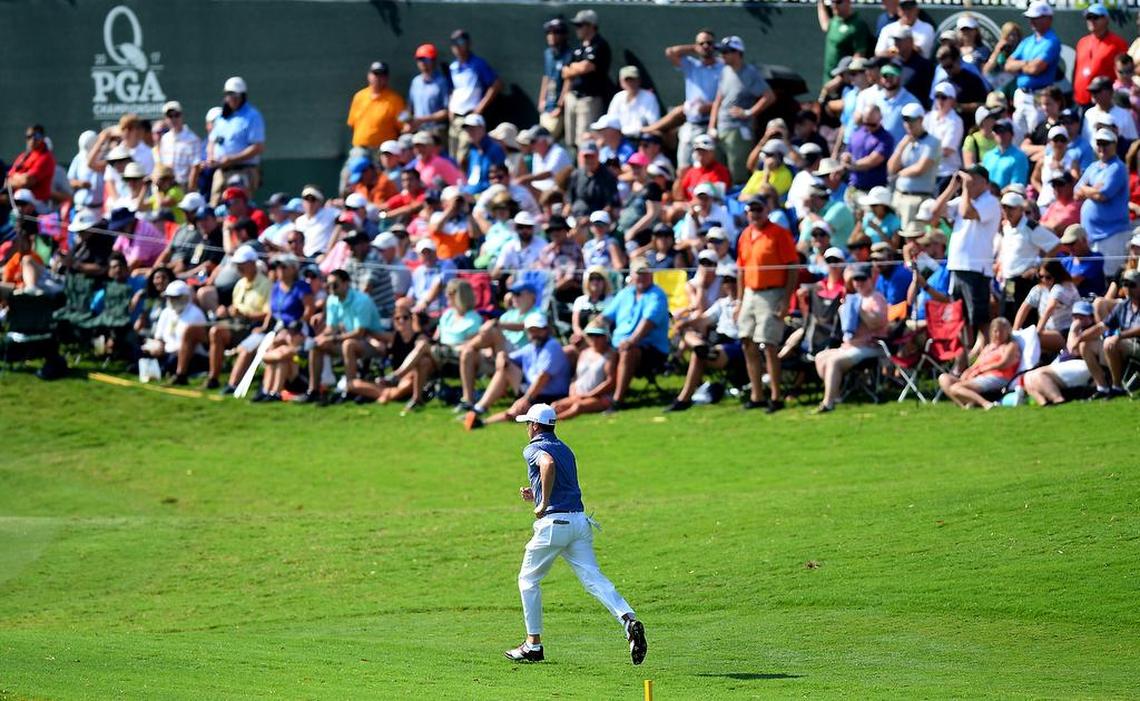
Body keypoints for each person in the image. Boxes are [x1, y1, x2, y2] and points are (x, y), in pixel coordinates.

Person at [505, 403, 647, 665]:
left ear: (535, 426)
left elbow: (546, 464)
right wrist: (536, 494)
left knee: (527, 581)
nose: (527, 428)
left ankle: (533, 645)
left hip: (553, 525)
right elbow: (561, 481)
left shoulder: (534, 448)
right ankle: (628, 619)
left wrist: (542, 502)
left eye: (528, 424)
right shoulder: (566, 450)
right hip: (579, 523)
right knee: (594, 578)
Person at [736, 195, 797, 412]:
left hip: (773, 293)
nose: (755, 214)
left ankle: (776, 395)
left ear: (766, 210)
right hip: (751, 293)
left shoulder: (779, 234)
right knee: (747, 341)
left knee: (769, 345)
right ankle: (756, 394)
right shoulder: (745, 235)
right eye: (751, 210)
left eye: (759, 210)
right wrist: (739, 300)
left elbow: (792, 268)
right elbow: (741, 271)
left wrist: (785, 299)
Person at [935, 164, 1000, 356]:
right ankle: (964, 359)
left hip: (976, 268)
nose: (968, 182)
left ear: (985, 183)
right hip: (957, 266)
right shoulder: (964, 198)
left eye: (972, 178)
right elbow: (936, 211)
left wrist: (965, 189)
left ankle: (989, 357)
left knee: (980, 319)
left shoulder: (990, 201)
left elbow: (966, 213)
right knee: (961, 319)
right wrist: (952, 187)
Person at [465, 312, 571, 428]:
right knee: (505, 368)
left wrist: (526, 399)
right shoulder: (531, 347)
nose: (535, 334)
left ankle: (481, 420)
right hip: (535, 391)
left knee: (517, 411)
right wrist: (501, 355)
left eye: (538, 330)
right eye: (532, 330)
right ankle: (479, 410)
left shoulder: (552, 346)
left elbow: (543, 377)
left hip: (550, 396)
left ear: (546, 330)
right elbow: (508, 359)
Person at [812, 264, 888, 413]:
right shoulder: (852, 299)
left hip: (870, 346)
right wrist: (846, 308)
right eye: (856, 279)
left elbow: (877, 323)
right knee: (821, 357)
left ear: (870, 279)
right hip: (850, 345)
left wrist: (859, 310)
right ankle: (837, 394)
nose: (858, 283)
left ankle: (828, 403)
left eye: (862, 279)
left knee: (834, 361)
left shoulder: (876, 298)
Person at [667, 263, 742, 411]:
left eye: (732, 280)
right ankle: (700, 347)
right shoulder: (721, 303)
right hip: (716, 342)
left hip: (734, 345)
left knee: (698, 354)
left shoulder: (744, 303)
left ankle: (684, 398)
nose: (729, 284)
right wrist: (682, 324)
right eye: (726, 281)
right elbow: (703, 319)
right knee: (687, 331)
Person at [598, 258, 670, 412]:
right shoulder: (625, 293)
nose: (642, 277)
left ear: (651, 275)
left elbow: (647, 324)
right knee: (585, 348)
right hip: (618, 344)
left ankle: (617, 401)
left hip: (651, 350)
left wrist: (631, 341)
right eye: (639, 273)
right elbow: (604, 317)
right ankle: (585, 395)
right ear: (631, 275)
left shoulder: (657, 295)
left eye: (645, 273)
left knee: (628, 351)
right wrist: (586, 333)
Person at [709, 36, 775, 185]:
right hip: (720, 130)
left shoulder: (750, 73)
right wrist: (711, 127)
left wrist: (748, 112)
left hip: (738, 131)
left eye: (726, 52)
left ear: (738, 53)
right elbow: (718, 100)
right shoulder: (725, 71)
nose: (722, 55)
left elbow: (769, 96)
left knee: (737, 174)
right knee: (720, 174)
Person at [662, 29, 723, 173]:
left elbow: (727, 99)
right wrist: (693, 48)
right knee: (683, 168)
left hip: (712, 125)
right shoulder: (691, 65)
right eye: (702, 43)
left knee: (709, 169)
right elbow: (670, 52)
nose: (705, 46)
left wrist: (708, 107)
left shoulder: (723, 67)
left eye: (709, 43)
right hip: (691, 124)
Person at [995, 191, 1060, 320]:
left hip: (1025, 281)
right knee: (1006, 315)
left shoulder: (1030, 227)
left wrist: (1039, 267)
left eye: (1011, 208)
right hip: (1009, 281)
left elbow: (1055, 244)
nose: (1007, 211)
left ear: (1020, 209)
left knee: (1026, 319)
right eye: (1004, 207)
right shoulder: (1006, 226)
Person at [1076, 128, 1131, 277]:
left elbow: (1102, 195)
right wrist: (1092, 190)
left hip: (1112, 234)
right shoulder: (1093, 167)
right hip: (1091, 235)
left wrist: (1087, 189)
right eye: (1099, 143)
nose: (1102, 147)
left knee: (1111, 277)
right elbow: (1076, 192)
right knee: (1094, 277)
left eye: (1106, 143)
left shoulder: (1118, 168)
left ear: (1114, 144)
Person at [1078, 268, 1140, 399]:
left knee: (1109, 343)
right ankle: (1102, 388)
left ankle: (1117, 387)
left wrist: (1119, 336)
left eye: (1132, 285)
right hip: (1124, 344)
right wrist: (1079, 338)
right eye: (1125, 284)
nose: (1128, 288)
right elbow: (1102, 326)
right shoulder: (1123, 306)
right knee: (1085, 345)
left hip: (1136, 344)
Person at [1022, 299, 1097, 406]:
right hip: (1065, 363)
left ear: (1091, 317)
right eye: (1075, 316)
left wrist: (1073, 330)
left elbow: (1073, 350)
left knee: (1041, 374)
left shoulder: (1091, 331)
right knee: (1028, 376)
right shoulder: (1075, 330)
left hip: (1082, 364)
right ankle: (1045, 404)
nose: (1078, 320)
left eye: (1082, 316)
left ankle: (1059, 400)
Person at [1004, 1, 1061, 138]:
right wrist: (1027, 64)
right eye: (1031, 18)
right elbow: (1008, 65)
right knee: (1017, 137)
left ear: (1048, 19)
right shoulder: (1027, 41)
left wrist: (1021, 65)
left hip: (1039, 97)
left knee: (1036, 136)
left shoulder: (1052, 41)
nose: (1032, 21)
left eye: (1036, 18)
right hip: (1021, 96)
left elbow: (1036, 69)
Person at [938, 317, 1021, 409]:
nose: (998, 334)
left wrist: (982, 370)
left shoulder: (1010, 346)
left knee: (955, 388)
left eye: (1002, 331)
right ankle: (965, 405)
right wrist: (968, 372)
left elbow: (1004, 363)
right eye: (995, 331)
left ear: (1008, 332)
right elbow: (977, 364)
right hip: (980, 377)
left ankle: (985, 403)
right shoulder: (988, 347)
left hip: (998, 376)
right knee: (944, 378)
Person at [206, 77, 266, 204]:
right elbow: (212, 141)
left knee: (239, 207)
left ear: (242, 96)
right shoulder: (222, 117)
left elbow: (258, 147)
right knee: (215, 206)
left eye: (234, 95)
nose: (231, 98)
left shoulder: (252, 115)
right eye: (228, 94)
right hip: (221, 171)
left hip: (243, 171)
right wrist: (211, 156)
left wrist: (231, 159)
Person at [446, 30, 503, 161]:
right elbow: (452, 90)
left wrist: (480, 108)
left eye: (461, 42)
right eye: (454, 43)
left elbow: (496, 84)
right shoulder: (453, 67)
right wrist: (450, 108)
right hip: (454, 118)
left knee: (463, 157)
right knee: (453, 157)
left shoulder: (478, 64)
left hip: (469, 119)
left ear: (468, 44)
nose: (458, 46)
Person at [563, 10, 612, 151]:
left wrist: (575, 67)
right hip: (573, 96)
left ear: (591, 26)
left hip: (589, 99)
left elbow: (587, 66)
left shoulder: (600, 45)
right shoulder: (578, 47)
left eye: (580, 25)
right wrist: (576, 67)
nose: (577, 29)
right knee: (570, 140)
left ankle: (583, 170)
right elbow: (565, 72)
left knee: (585, 140)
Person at [1013, 260, 1079, 355]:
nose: (1044, 280)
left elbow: (1049, 309)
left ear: (1056, 275)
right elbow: (1024, 308)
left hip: (1065, 332)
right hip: (1048, 331)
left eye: (1048, 277)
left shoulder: (1063, 287)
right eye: (1040, 276)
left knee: (1029, 339)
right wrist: (1015, 331)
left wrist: (1037, 333)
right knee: (1017, 338)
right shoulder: (1039, 289)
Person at [551, 326, 617, 420]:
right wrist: (573, 390)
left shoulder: (610, 355)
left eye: (598, 335)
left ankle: (552, 423)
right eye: (590, 335)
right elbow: (576, 377)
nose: (594, 339)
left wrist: (590, 394)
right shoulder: (584, 353)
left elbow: (610, 382)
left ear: (605, 337)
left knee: (578, 407)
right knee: (555, 406)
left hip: (600, 397)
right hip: (579, 395)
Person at [1072, 3, 1129, 108]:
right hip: (1080, 101)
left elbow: (1125, 72)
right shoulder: (1082, 42)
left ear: (1106, 19)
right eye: (1089, 17)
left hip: (1104, 103)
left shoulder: (1118, 43)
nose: (1091, 21)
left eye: (1096, 17)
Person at [818, 0, 874, 83]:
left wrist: (839, 79)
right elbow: (825, 25)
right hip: (828, 80)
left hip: (845, 84)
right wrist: (820, 2)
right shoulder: (834, 21)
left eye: (838, 2)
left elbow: (858, 57)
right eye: (832, 2)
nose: (834, 5)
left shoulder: (858, 25)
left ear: (848, 2)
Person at [407, 44, 450, 137]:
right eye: (419, 59)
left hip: (437, 132)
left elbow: (446, 112)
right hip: (418, 131)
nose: (423, 62)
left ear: (434, 61)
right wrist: (407, 122)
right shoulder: (415, 82)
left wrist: (423, 120)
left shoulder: (442, 82)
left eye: (426, 59)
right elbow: (410, 108)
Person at [8, 124, 56, 205]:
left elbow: (27, 181)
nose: (32, 139)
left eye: (36, 136)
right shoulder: (23, 156)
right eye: (29, 136)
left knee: (22, 194)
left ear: (43, 138)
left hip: (39, 204)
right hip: (17, 200)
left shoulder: (46, 157)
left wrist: (15, 177)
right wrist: (21, 177)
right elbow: (8, 179)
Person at [157, 101, 202, 188]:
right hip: (166, 186)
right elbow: (163, 164)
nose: (173, 119)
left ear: (182, 116)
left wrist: (190, 189)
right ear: (165, 119)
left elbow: (195, 167)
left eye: (176, 115)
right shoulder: (164, 139)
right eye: (170, 116)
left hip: (183, 185)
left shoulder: (192, 139)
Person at [606, 66, 660, 137]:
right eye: (627, 80)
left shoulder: (649, 97)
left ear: (639, 80)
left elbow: (653, 124)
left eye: (633, 79)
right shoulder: (618, 97)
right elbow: (610, 121)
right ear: (621, 82)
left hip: (642, 139)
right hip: (620, 138)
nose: (630, 83)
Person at [1058, 224, 1107, 298]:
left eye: (1072, 243)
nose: (1069, 247)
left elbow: (1075, 281)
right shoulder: (1065, 261)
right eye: (1066, 244)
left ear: (1084, 240)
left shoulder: (1096, 258)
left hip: (1090, 303)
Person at [982, 119, 1029, 190]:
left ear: (1012, 134)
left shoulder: (1020, 157)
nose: (1000, 134)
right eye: (997, 131)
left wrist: (999, 195)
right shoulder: (988, 156)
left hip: (1008, 198)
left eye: (1004, 131)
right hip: (988, 197)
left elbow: (1017, 185)